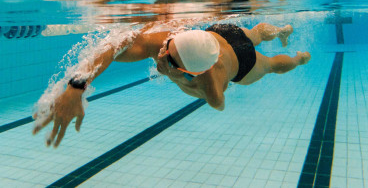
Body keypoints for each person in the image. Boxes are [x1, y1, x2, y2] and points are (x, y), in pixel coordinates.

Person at [32, 21, 311, 147]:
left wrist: (184, 79)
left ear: (189, 71)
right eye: (167, 48)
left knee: (272, 65)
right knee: (253, 32)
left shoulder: (212, 80)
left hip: (242, 61)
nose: (162, 55)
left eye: (169, 59)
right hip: (222, 34)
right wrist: (76, 87)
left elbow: (218, 103)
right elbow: (116, 43)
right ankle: (279, 29)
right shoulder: (171, 43)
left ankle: (297, 59)